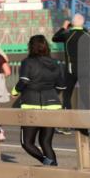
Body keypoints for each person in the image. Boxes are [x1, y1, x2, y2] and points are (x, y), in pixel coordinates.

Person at [12, 35, 67, 166]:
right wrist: (51, 93)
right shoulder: (55, 63)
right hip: (52, 105)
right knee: (46, 142)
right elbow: (61, 86)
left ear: (31, 47)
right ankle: (53, 169)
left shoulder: (28, 62)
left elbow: (23, 81)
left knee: (27, 142)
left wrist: (15, 91)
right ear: (46, 47)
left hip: (32, 105)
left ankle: (47, 162)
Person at [52, 14, 90, 131]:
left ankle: (67, 125)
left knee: (67, 95)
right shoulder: (87, 35)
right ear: (82, 24)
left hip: (71, 70)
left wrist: (64, 27)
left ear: (72, 24)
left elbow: (55, 38)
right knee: (85, 96)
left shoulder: (67, 34)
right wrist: (82, 27)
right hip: (86, 69)